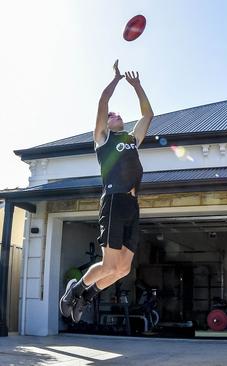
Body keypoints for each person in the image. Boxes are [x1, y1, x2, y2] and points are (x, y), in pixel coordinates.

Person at [59, 60, 154, 322]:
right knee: (110, 264)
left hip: (132, 205)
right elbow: (103, 101)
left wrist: (137, 86)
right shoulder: (103, 139)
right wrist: (116, 80)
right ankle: (73, 292)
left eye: (117, 114)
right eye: (112, 115)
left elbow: (147, 116)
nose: (116, 115)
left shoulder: (131, 140)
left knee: (123, 269)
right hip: (113, 200)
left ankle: (87, 297)